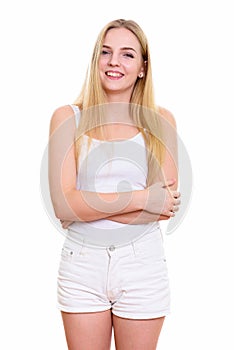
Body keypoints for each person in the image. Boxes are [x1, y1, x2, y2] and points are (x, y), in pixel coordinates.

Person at [48, 19, 181, 350]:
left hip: (142, 266)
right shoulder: (67, 119)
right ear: (96, 59)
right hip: (82, 265)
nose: (113, 62)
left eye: (126, 54)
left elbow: (163, 207)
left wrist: (85, 205)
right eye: (105, 52)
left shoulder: (161, 121)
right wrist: (141, 197)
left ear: (141, 67)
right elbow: (63, 206)